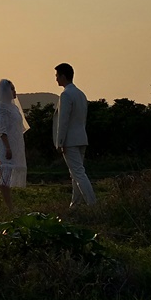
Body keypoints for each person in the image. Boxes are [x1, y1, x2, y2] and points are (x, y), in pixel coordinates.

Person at [53, 62, 96, 206]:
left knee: (78, 173)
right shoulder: (80, 94)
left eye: (57, 76)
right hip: (81, 137)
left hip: (70, 140)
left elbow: (63, 120)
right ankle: (75, 204)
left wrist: (60, 142)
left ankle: (92, 204)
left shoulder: (66, 95)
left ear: (63, 76)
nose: (56, 79)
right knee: (75, 174)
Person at [0, 78, 29, 211]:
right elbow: (1, 130)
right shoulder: (0, 108)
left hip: (14, 144)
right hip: (5, 145)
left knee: (0, 174)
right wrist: (8, 147)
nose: (15, 91)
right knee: (4, 176)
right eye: (12, 89)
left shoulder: (13, 107)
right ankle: (10, 207)